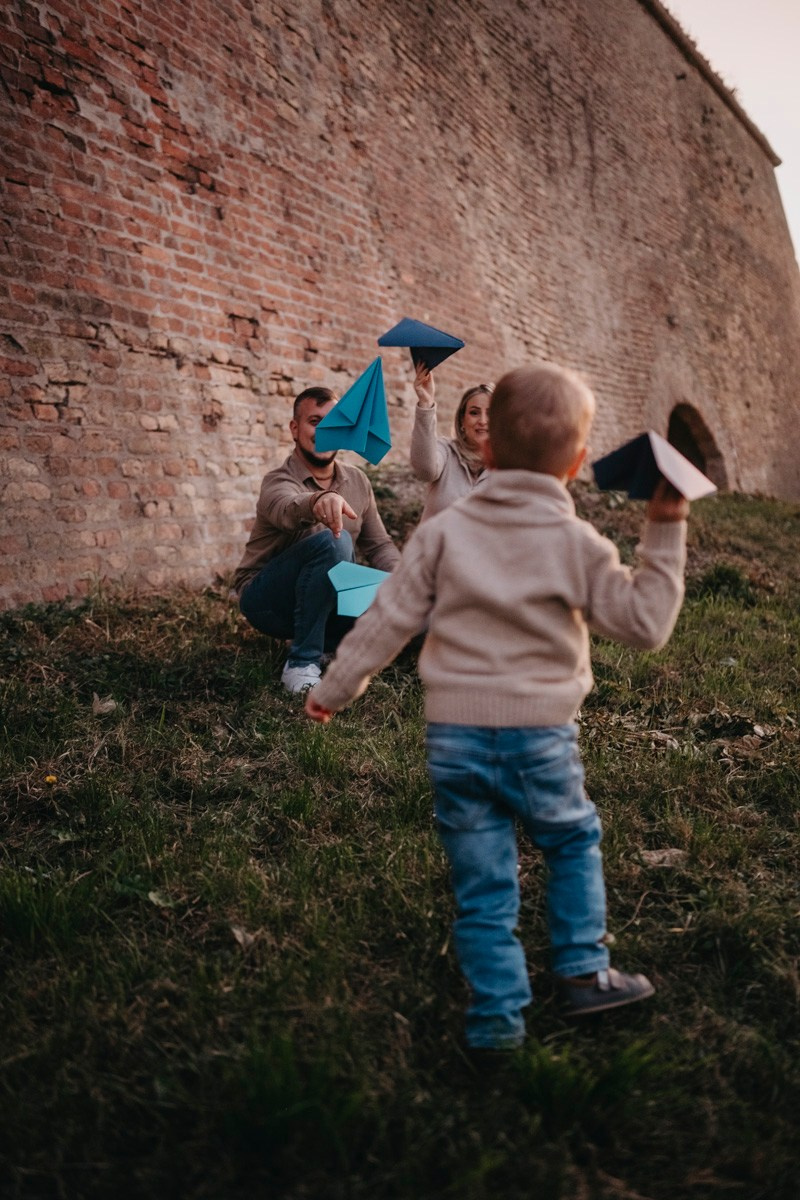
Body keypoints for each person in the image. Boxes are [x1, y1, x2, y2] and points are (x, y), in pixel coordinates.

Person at [305, 362, 689, 1052]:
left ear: (487, 446)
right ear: (576, 462)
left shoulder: (443, 534)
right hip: (542, 736)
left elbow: (387, 618)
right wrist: (664, 528)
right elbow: (646, 624)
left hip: (455, 737)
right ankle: (583, 972)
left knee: (482, 880)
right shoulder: (578, 544)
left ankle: (496, 1015)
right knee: (569, 842)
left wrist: (333, 690)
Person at [234, 386, 400, 693]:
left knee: (418, 598)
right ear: (295, 429)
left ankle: (330, 645)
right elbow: (286, 508)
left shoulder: (358, 480)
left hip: (329, 599)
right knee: (334, 541)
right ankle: (301, 663)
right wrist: (318, 501)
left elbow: (379, 546)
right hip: (268, 600)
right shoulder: (278, 480)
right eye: (315, 421)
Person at [410, 365, 493, 521]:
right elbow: (425, 470)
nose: (483, 421)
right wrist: (426, 403)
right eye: (474, 413)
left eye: (490, 413)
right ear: (462, 421)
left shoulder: (507, 467)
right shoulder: (446, 451)